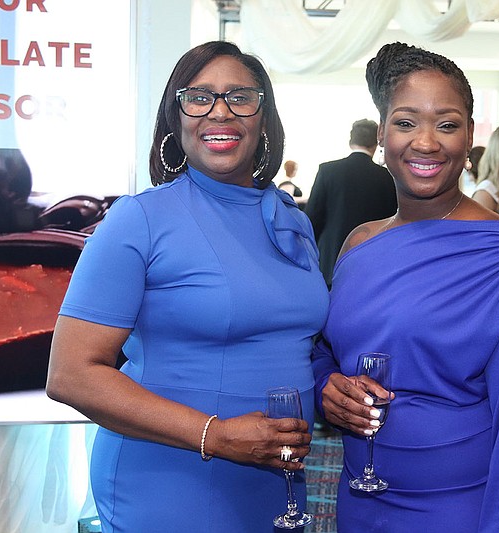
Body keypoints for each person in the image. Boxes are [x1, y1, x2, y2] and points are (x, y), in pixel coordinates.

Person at [45, 41, 329, 532]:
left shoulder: (293, 223)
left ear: (265, 119)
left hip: (277, 479)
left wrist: (332, 384)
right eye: (200, 97)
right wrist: (215, 437)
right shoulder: (138, 220)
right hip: (170, 479)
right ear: (176, 120)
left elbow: (300, 344)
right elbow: (70, 375)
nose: (221, 112)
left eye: (241, 97)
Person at [311, 41, 499, 532]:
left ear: (470, 136)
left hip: (455, 509)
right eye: (406, 123)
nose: (426, 142)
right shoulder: (358, 244)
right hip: (360, 495)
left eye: (447, 124)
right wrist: (327, 387)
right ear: (382, 133)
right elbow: (325, 348)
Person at [305, 118, 397, 288]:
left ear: (350, 141)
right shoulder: (387, 177)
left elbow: (312, 218)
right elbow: (392, 221)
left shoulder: (328, 171)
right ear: (375, 144)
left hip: (331, 260)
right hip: (372, 261)